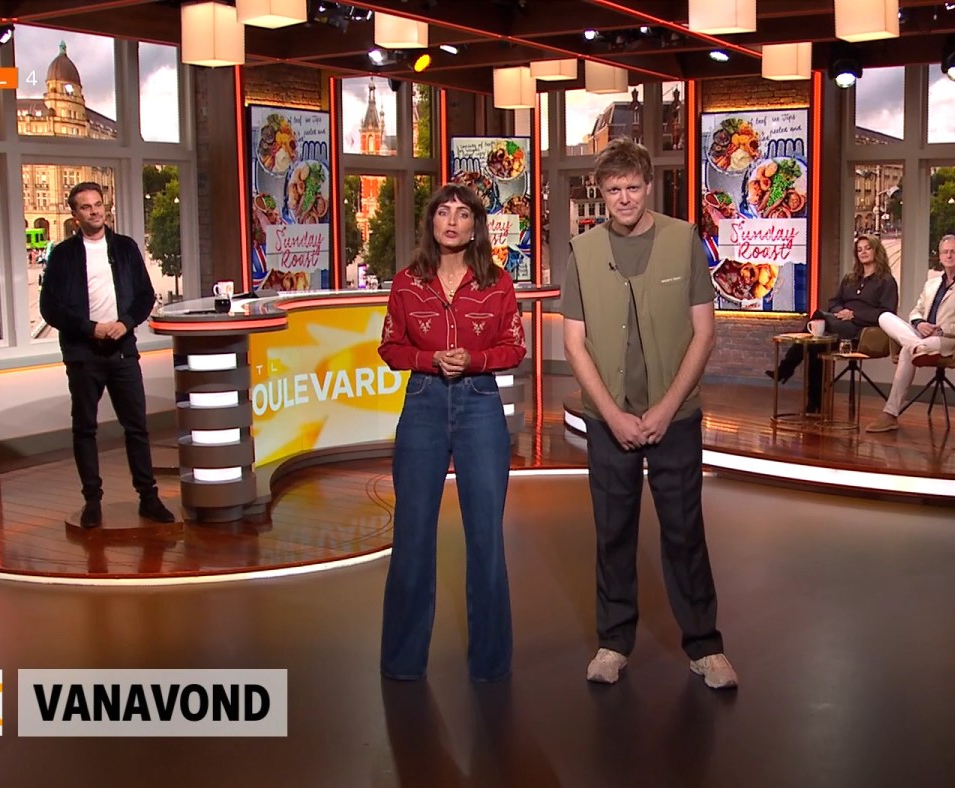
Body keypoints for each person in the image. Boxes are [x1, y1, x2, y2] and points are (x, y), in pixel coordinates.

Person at [561, 139, 738, 689]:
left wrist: (665, 408)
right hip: (608, 418)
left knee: (684, 531)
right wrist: (612, 415)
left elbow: (704, 333)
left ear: (648, 186)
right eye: (613, 189)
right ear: (601, 192)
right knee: (612, 533)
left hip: (675, 417)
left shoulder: (684, 240)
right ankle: (613, 643)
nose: (624, 198)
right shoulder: (582, 250)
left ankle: (705, 647)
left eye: (632, 187)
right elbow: (574, 343)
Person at [377, 183, 527, 682]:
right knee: (412, 534)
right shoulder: (407, 282)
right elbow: (390, 347)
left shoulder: (497, 283)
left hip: (479, 403)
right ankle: (402, 663)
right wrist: (428, 359)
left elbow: (514, 348)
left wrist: (475, 360)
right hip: (423, 402)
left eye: (463, 214)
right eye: (444, 213)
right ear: (431, 222)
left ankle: (490, 664)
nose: (452, 222)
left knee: (485, 537)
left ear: (475, 225)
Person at [38, 182, 174, 528]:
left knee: (137, 427)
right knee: (85, 428)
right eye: (86, 207)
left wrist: (125, 323)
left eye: (98, 204)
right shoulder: (63, 255)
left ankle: (148, 497)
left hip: (123, 351)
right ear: (75, 215)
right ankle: (92, 501)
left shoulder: (125, 248)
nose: (95, 211)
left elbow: (145, 296)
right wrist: (90, 328)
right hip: (83, 354)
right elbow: (49, 307)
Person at [866, 234, 955, 433]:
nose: (949, 255)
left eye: (954, 252)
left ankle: (890, 414)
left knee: (906, 351)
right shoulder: (931, 284)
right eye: (945, 252)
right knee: (885, 317)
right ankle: (918, 347)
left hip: (949, 340)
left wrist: (942, 329)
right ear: (940, 256)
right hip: (922, 336)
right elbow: (916, 311)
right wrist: (919, 322)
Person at [768, 234, 899, 412]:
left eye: (868, 248)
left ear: (877, 251)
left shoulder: (886, 281)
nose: (863, 252)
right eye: (859, 250)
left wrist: (854, 314)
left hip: (862, 332)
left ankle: (785, 368)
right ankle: (814, 403)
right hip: (839, 325)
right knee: (815, 346)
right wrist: (839, 312)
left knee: (818, 316)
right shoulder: (850, 278)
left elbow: (887, 313)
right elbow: (834, 302)